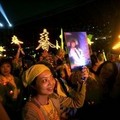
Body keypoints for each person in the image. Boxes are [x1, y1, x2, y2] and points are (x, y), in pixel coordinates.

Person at [22, 64, 88, 120]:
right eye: (44, 80)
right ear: (33, 86)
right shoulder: (31, 111)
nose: (51, 83)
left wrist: (82, 81)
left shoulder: (53, 97)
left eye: (51, 77)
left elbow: (77, 103)